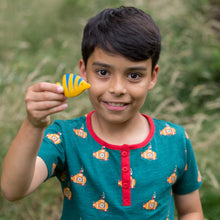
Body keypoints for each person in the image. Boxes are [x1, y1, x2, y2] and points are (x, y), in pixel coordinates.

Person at [1, 6, 203, 220]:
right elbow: (13, 190)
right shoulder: (64, 138)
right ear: (83, 71)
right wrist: (34, 124)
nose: (117, 88)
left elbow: (191, 211)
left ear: (152, 76)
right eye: (103, 72)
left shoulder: (175, 140)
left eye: (134, 75)